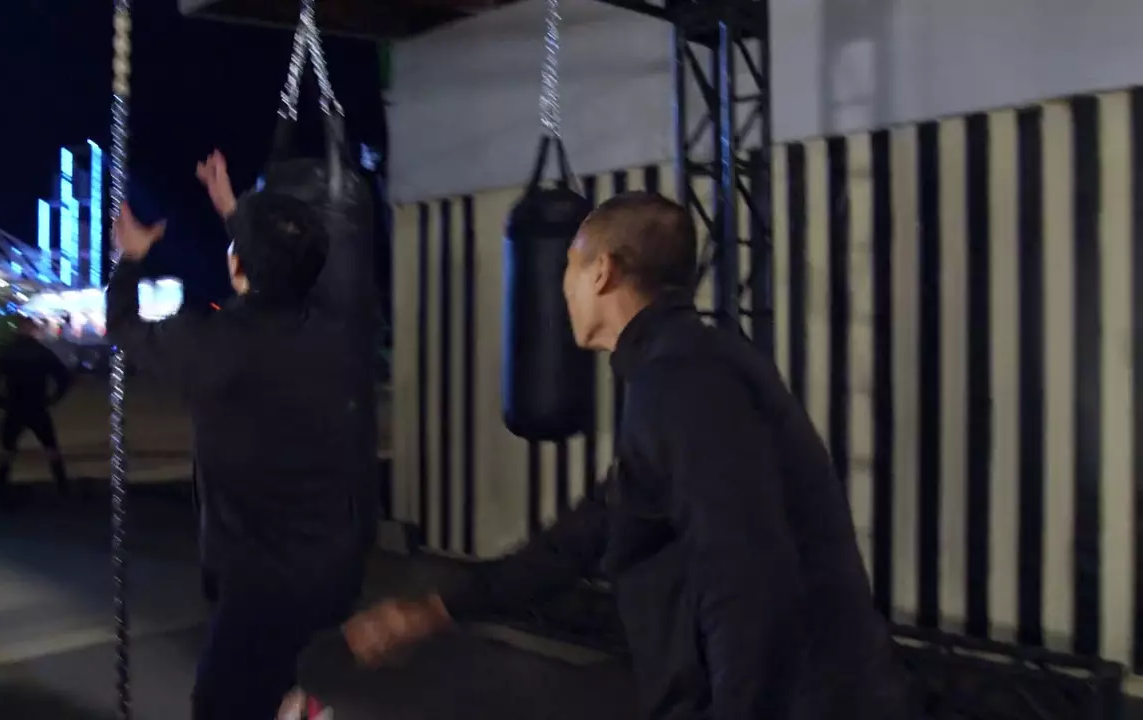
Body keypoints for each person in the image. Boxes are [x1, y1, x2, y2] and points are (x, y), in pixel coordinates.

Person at [344, 192, 911, 720]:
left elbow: (745, 573)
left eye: (570, 265)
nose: (563, 286)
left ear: (603, 271)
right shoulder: (679, 369)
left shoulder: (686, 380)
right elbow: (590, 531)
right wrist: (438, 610)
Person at [106, 150, 375, 720]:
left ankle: (298, 707)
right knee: (281, 679)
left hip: (261, 582)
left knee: (221, 703)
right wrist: (235, 212)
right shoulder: (338, 337)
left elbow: (122, 325)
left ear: (236, 267)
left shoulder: (209, 345)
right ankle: (299, 707)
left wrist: (131, 259)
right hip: (335, 567)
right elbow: (282, 267)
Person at [0, 316, 71, 503]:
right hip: (37, 405)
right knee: (50, 447)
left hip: (15, 406)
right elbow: (63, 377)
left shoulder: (8, 352)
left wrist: (0, 401)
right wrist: (53, 398)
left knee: (7, 449)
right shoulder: (42, 352)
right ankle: (63, 487)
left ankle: (1, 489)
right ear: (33, 331)